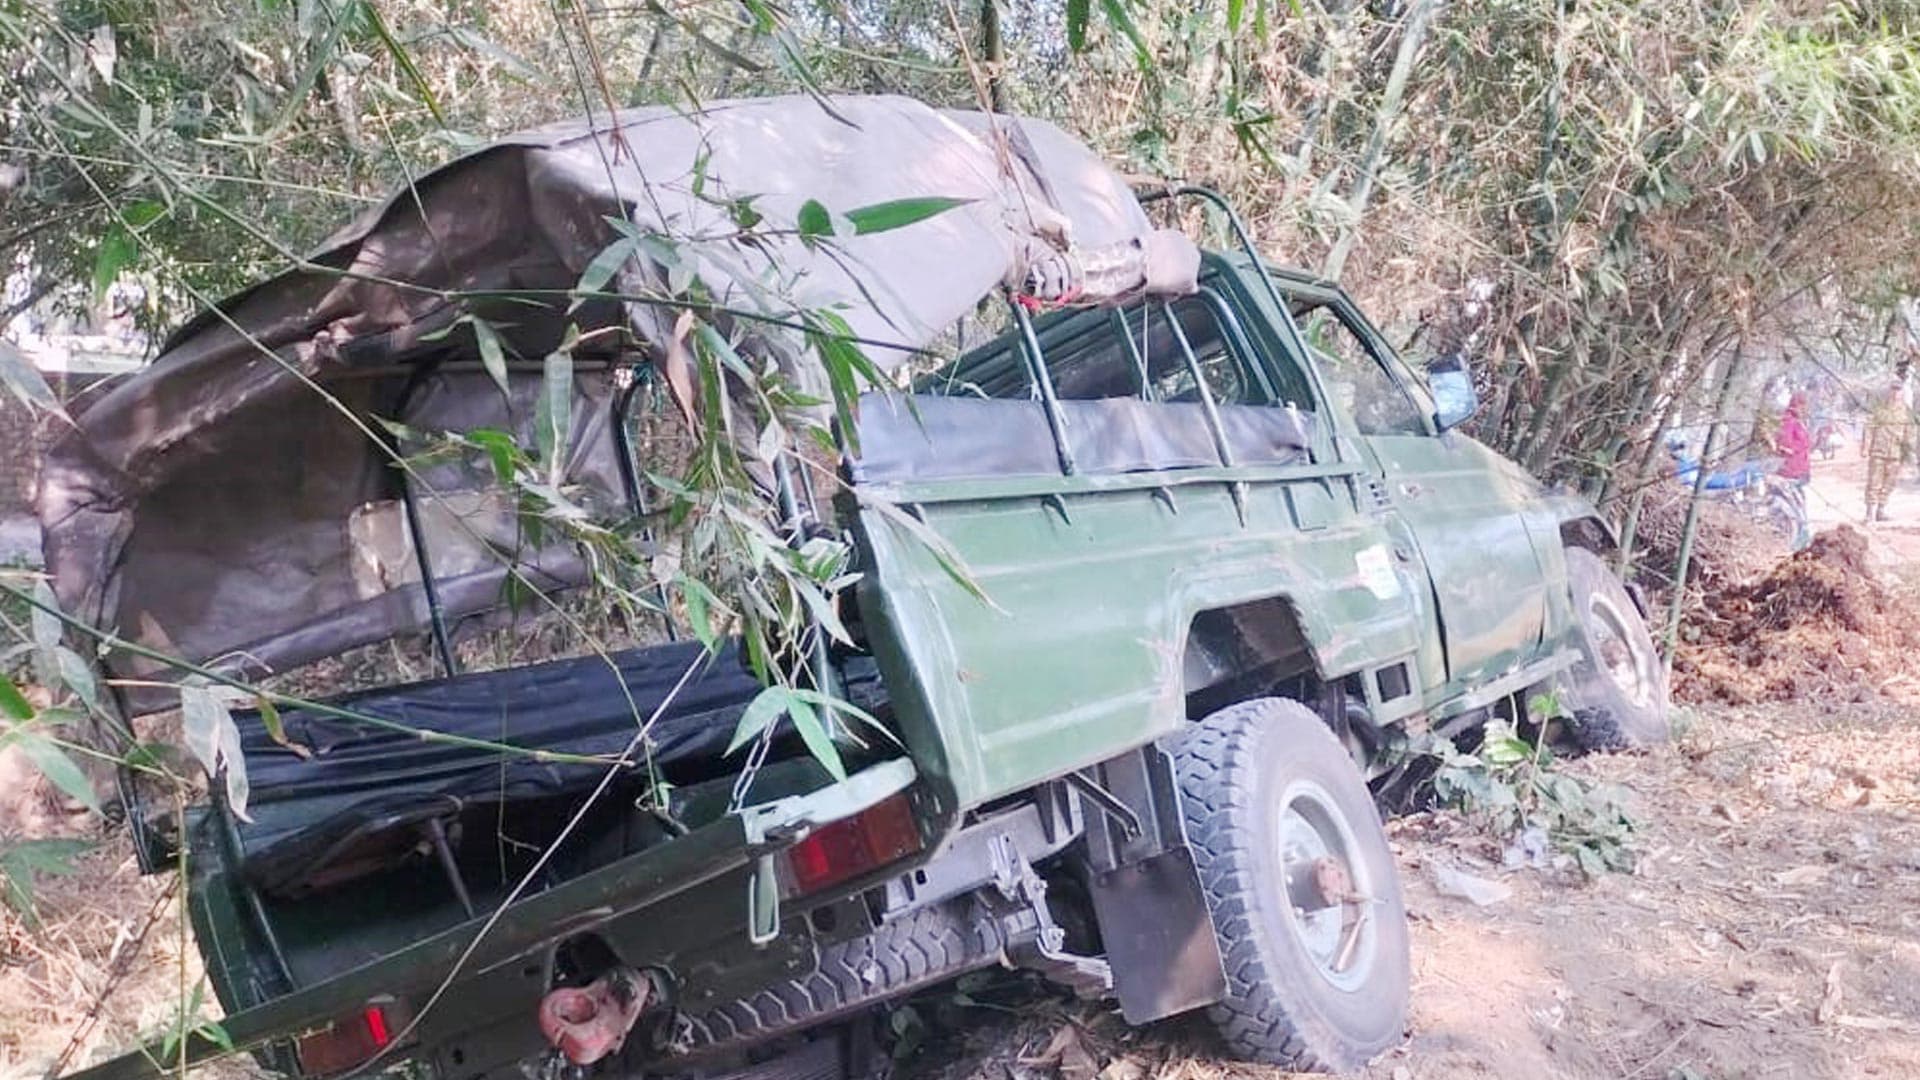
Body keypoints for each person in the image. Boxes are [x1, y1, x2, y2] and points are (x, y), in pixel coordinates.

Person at [1862, 380, 1913, 524]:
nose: (1896, 393)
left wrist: (1907, 453)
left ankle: (1881, 510)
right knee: (1874, 482)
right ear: (1889, 391)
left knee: (1890, 483)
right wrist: (1866, 448)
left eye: (1898, 390)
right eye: (1893, 389)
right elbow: (1869, 428)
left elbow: (1909, 434)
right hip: (1879, 451)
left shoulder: (1906, 413)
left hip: (1896, 454)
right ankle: (1870, 513)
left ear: (1902, 392)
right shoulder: (1879, 410)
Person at [1775, 392, 1813, 550]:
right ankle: (1796, 541)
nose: (1804, 409)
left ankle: (1801, 539)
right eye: (1802, 406)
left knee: (1800, 505)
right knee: (1795, 509)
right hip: (1790, 470)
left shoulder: (1799, 421)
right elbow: (1785, 446)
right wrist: (1800, 448)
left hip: (1800, 470)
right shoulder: (1788, 421)